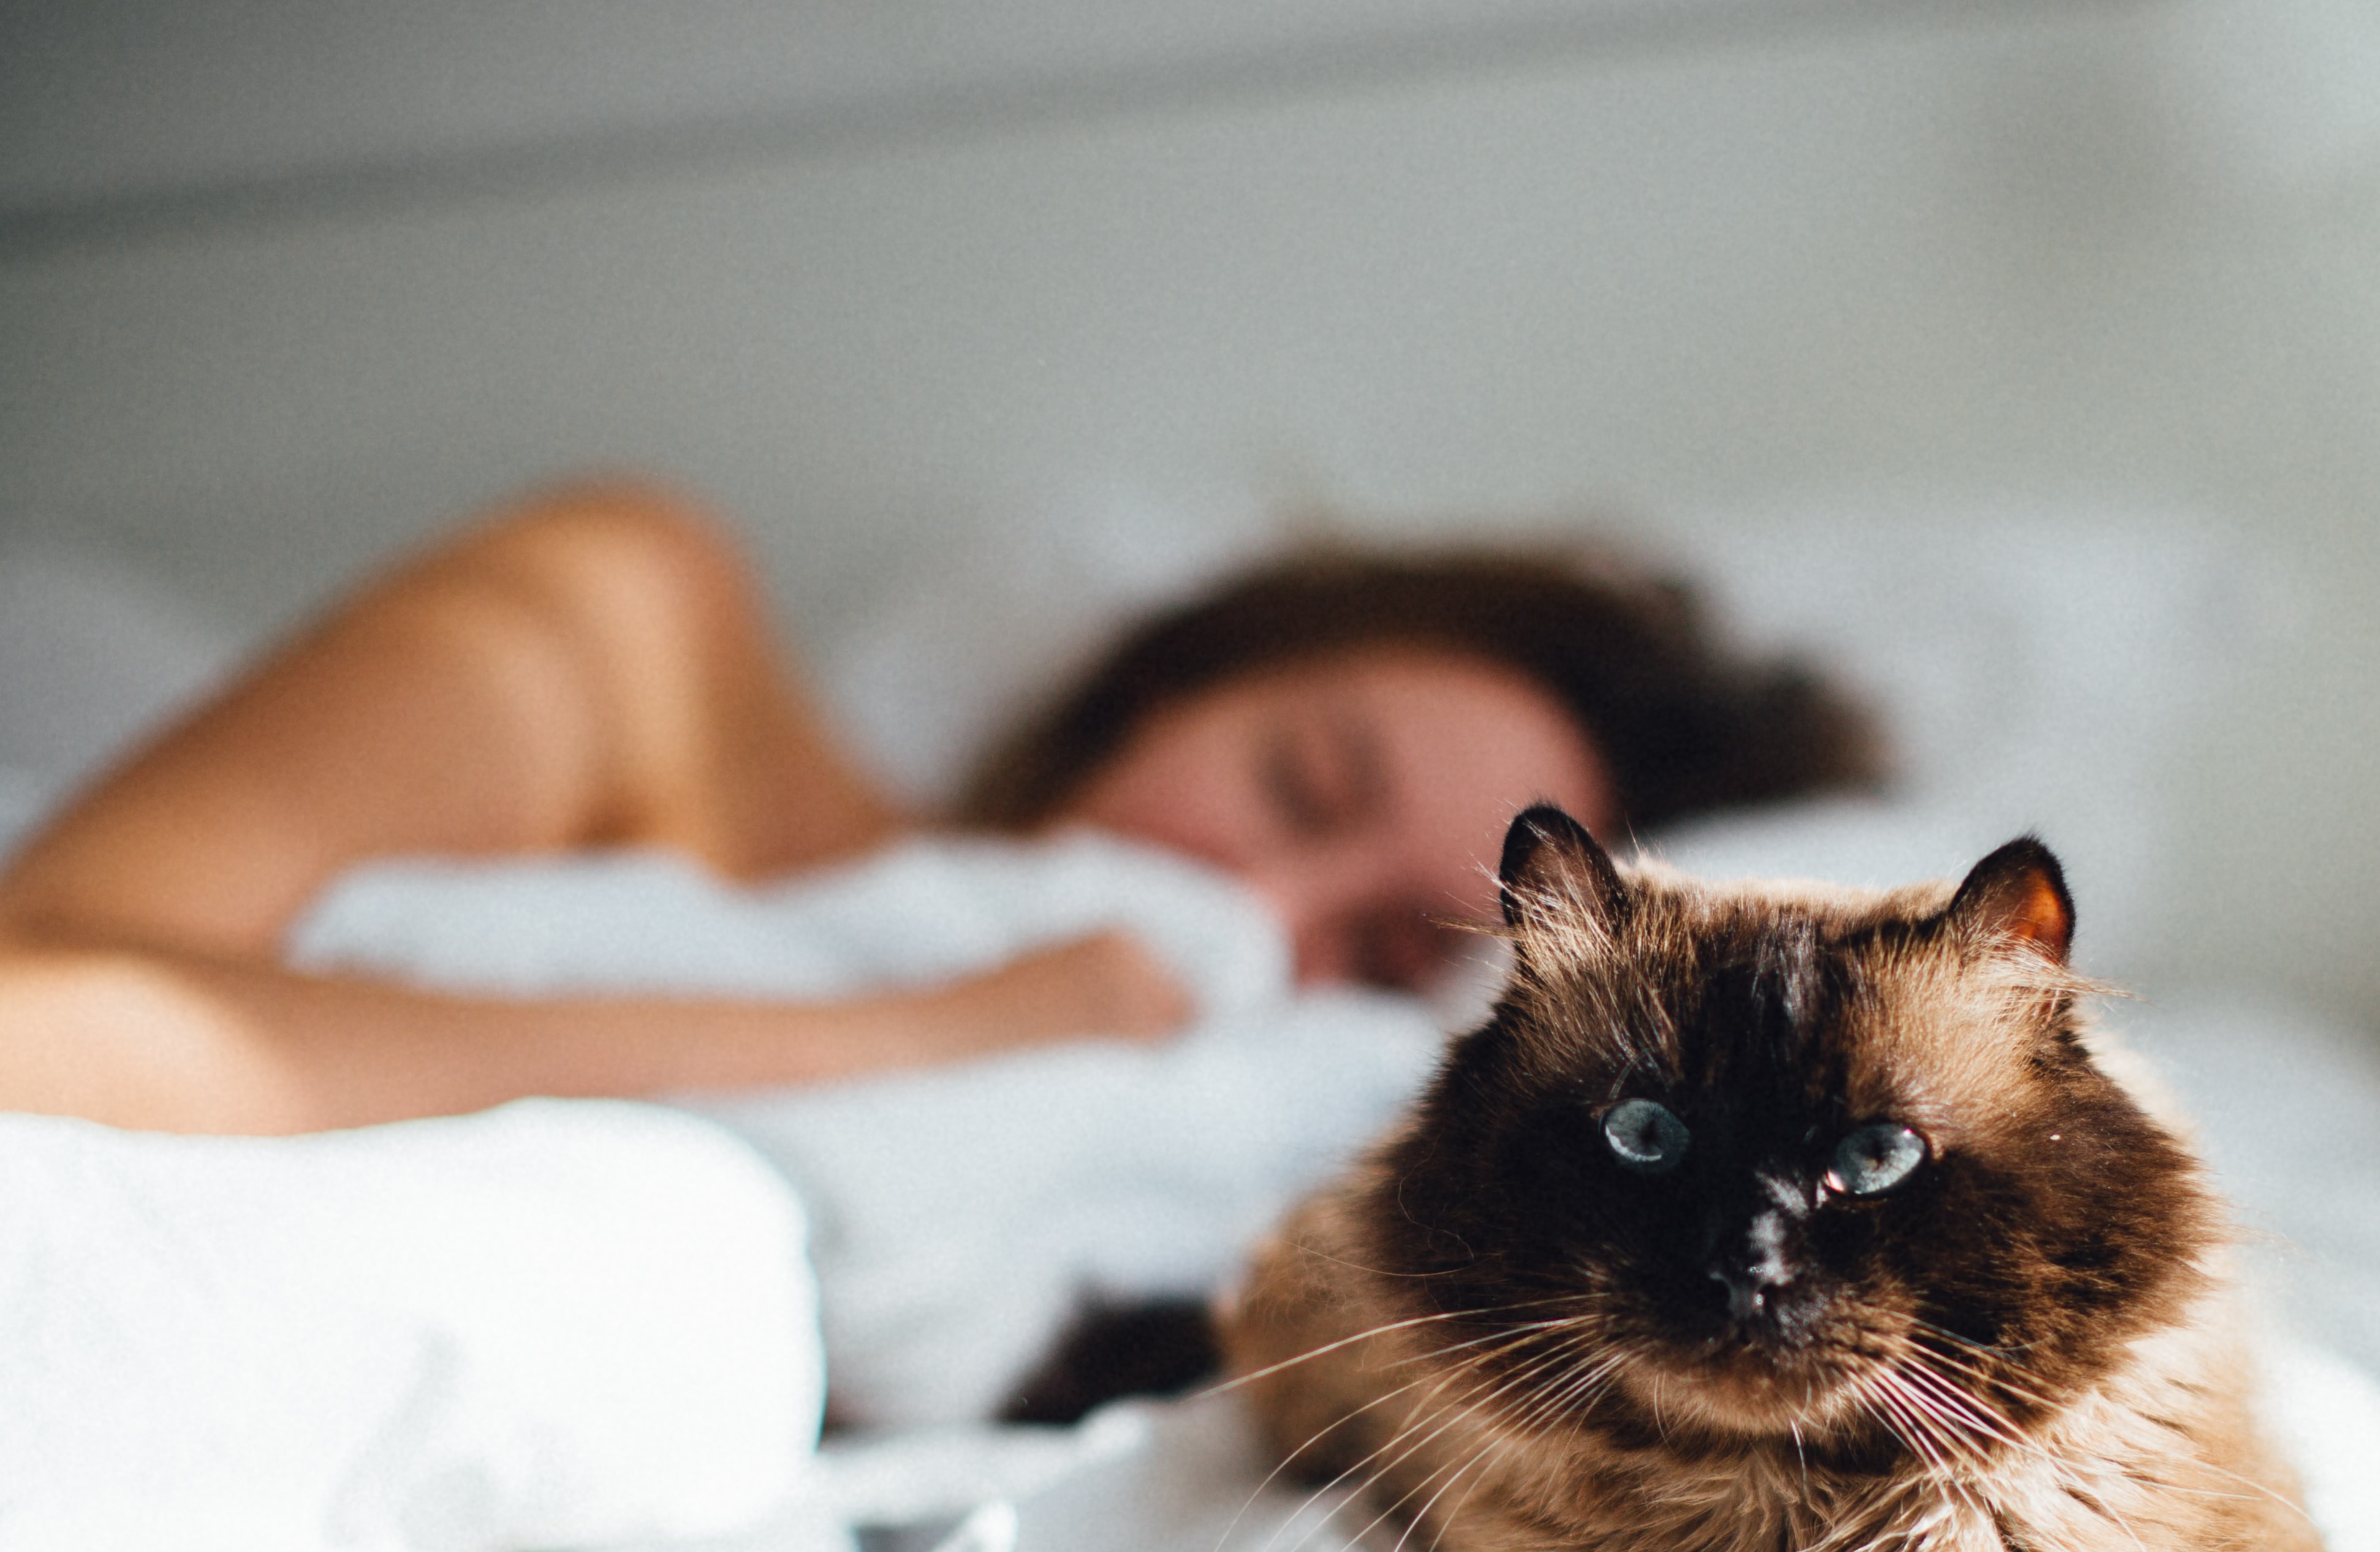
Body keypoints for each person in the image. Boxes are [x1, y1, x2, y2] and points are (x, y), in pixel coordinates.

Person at [0, 482, 1878, 1135]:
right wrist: (922, 1034)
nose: (1255, 895)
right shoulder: (629, 629)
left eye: (1386, 949)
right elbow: (38, 1010)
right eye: (1298, 780)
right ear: (1177, 678)